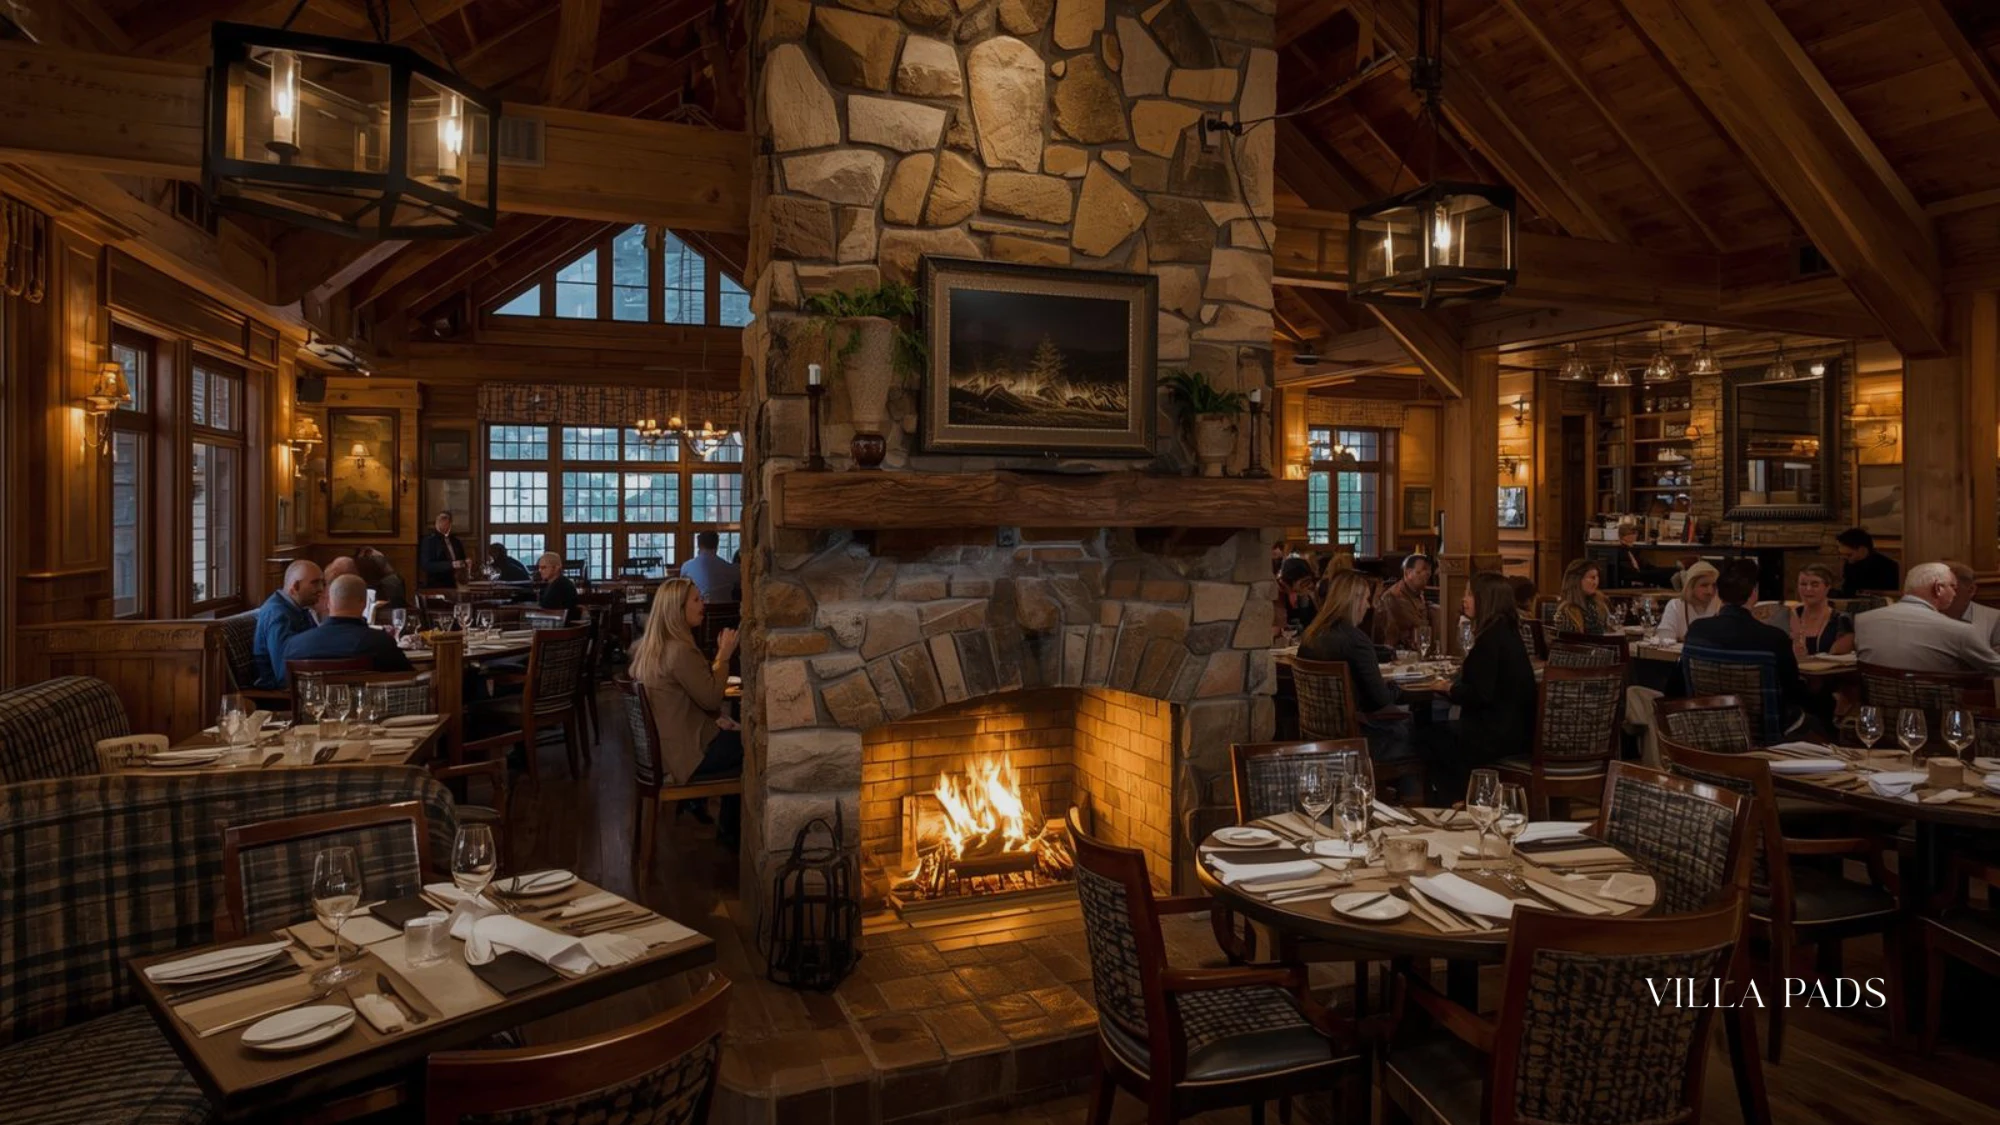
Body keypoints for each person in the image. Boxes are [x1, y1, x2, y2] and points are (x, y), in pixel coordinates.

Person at [629, 577, 743, 846]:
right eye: (696, 600)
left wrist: (717, 722)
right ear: (676, 609)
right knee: (754, 746)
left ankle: (721, 825)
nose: (702, 604)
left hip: (663, 754)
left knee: (736, 736)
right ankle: (731, 836)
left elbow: (686, 704)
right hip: (685, 757)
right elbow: (712, 698)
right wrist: (724, 655)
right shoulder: (679, 651)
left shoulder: (649, 649)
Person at [1421, 572, 1536, 803]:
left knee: (1427, 736)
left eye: (1470, 594)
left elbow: (1480, 695)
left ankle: (1456, 800)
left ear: (1487, 599)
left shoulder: (1490, 639)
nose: (1464, 599)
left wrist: (1448, 688)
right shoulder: (1508, 632)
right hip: (1519, 730)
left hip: (1495, 736)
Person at [1298, 571, 1414, 781]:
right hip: (1360, 741)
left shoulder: (1311, 635)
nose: (1369, 606)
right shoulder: (1356, 641)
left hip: (1317, 737)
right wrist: (1398, 688)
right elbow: (1380, 700)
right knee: (1424, 734)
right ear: (1355, 600)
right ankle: (1411, 805)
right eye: (1367, 599)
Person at [1685, 560, 1805, 723]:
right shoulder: (1773, 638)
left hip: (1708, 726)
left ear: (1718, 593)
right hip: (1765, 730)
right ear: (1754, 591)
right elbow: (1792, 692)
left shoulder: (1696, 630)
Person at [1854, 562, 2000, 674]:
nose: (1954, 594)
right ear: (1938, 588)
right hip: (1939, 711)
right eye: (1953, 587)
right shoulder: (1959, 630)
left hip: (1877, 709)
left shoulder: (1862, 621)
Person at [280, 574, 415, 679]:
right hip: (368, 713)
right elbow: (408, 678)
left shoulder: (295, 645)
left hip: (311, 713)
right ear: (363, 603)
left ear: (328, 602)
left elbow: (284, 681)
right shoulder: (380, 643)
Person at [252, 560, 323, 688]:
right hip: (279, 695)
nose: (321, 589)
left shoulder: (299, 608)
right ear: (295, 587)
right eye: (315, 583)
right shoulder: (277, 614)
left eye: (322, 583)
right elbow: (283, 673)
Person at [1787, 563, 1854, 657]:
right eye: (1803, 584)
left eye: (1815, 585)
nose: (1808, 589)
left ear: (1827, 587)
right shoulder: (1788, 616)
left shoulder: (1842, 620)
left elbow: (1838, 660)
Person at [1372, 554, 1434, 650]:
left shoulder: (1417, 593)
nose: (1427, 574)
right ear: (1408, 573)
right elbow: (1418, 625)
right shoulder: (1393, 597)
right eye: (1423, 570)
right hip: (1394, 653)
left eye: (1429, 570)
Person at [1657, 561, 1720, 642]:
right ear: (1690, 586)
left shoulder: (1720, 606)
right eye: (1704, 585)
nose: (1710, 591)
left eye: (1714, 585)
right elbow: (1664, 639)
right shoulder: (1675, 606)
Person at [1553, 558, 1616, 635]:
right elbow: (1566, 644)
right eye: (1592, 578)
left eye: (1597, 577)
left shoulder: (1600, 604)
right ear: (1577, 580)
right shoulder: (1566, 611)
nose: (1596, 582)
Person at [1835, 528, 1899, 598]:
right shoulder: (1850, 563)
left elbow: (1894, 594)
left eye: (1849, 555)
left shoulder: (1887, 566)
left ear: (1862, 550)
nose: (1845, 558)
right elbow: (1847, 590)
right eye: (1842, 554)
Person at [679, 531, 741, 602]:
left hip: (695, 610)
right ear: (717, 545)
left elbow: (682, 592)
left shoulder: (686, 567)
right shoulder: (732, 569)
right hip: (725, 611)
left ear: (699, 545)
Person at [418, 511, 470, 589]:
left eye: (446, 521)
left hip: (458, 583)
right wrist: (451, 565)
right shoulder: (429, 541)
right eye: (441, 520)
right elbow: (426, 565)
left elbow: (462, 559)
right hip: (437, 584)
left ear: (450, 524)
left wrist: (466, 562)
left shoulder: (456, 541)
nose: (444, 523)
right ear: (436, 524)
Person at [1273, 556, 1319, 638]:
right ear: (1289, 581)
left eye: (1309, 581)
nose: (1309, 585)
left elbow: (1312, 621)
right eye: (1304, 582)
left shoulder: (1302, 594)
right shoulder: (1274, 594)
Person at [535, 552, 580, 621]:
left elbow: (547, 611)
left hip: (560, 629)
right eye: (539, 568)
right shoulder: (556, 583)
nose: (540, 570)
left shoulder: (560, 585)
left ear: (556, 568)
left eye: (543, 567)